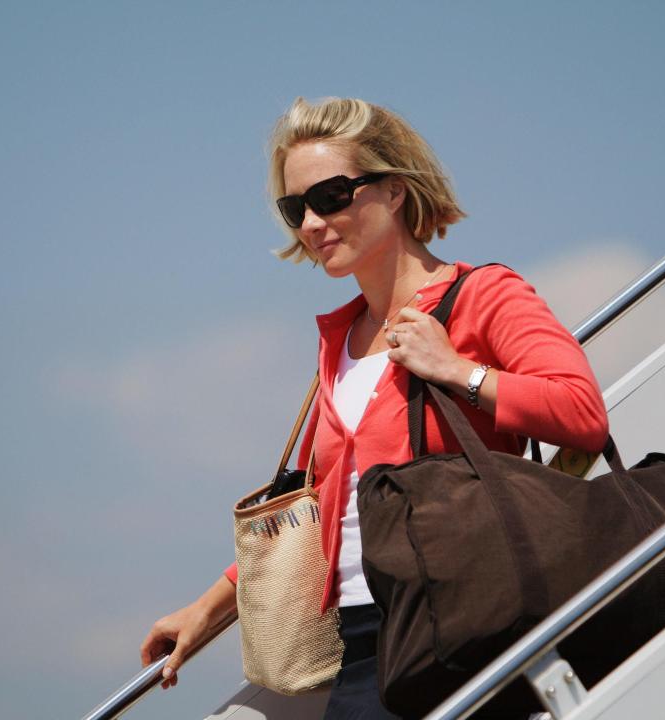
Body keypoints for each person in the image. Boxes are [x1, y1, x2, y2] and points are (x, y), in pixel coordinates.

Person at [140, 97, 609, 719]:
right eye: (294, 207)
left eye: (331, 195)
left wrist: (458, 371)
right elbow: (316, 508)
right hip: (365, 636)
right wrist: (204, 611)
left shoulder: (483, 295)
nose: (310, 221)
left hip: (470, 616)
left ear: (392, 191)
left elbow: (583, 413)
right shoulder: (339, 342)